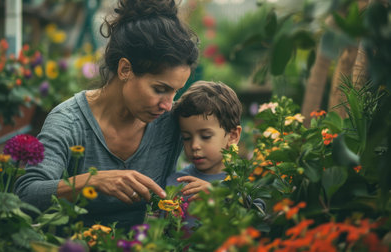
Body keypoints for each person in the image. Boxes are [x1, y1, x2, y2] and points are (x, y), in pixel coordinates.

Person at [14, 0, 199, 231]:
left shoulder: (169, 123)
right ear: (125, 70)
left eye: (175, 92)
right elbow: (26, 195)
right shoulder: (70, 122)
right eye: (160, 89)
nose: (168, 105)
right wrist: (94, 181)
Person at [166, 81, 265, 229]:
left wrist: (219, 196)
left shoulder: (245, 184)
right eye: (186, 137)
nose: (194, 146)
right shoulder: (175, 183)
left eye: (205, 136)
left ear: (232, 136)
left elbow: (259, 223)